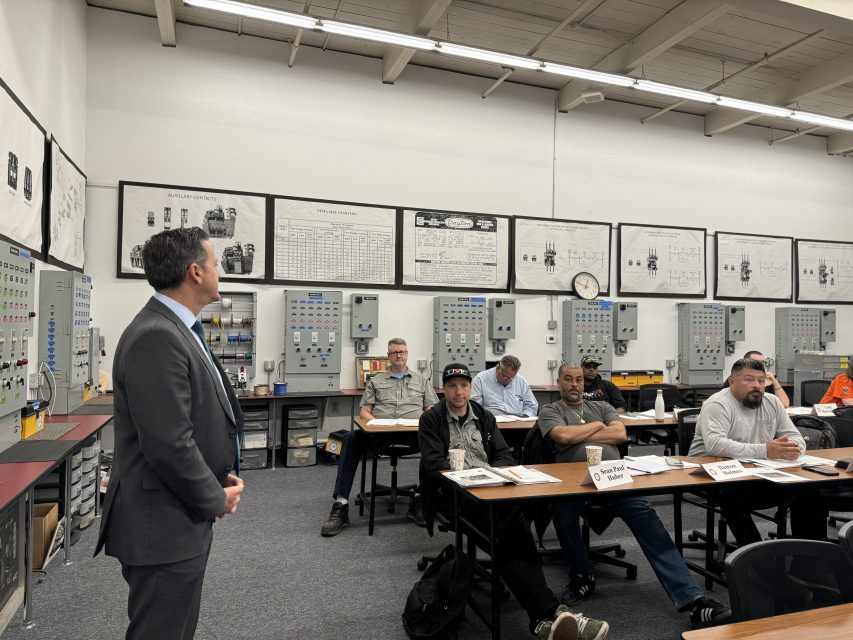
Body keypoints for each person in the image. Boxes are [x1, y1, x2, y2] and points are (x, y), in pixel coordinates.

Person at [95, 228, 245, 640]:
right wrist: (214, 498)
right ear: (195, 271)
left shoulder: (177, 328)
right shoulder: (158, 336)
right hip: (161, 524)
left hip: (179, 514)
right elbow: (168, 443)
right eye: (215, 265)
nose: (220, 272)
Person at [419, 363, 610, 640]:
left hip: (490, 490)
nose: (459, 392)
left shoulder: (484, 416)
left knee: (515, 527)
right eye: (452, 386)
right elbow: (434, 464)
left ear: (471, 388)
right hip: (453, 495)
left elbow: (504, 455)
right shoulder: (432, 419)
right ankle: (549, 613)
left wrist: (492, 476)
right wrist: (467, 479)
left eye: (463, 385)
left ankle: (547, 618)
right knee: (509, 532)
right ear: (444, 390)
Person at [539, 362, 729, 630]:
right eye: (568, 379)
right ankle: (582, 574)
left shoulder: (602, 406)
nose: (574, 384)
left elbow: (619, 432)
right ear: (559, 382)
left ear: (585, 382)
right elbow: (562, 434)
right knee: (562, 512)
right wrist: (593, 430)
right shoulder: (550, 410)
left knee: (646, 514)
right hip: (573, 484)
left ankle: (693, 599)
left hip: (614, 476)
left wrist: (581, 433)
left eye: (579, 380)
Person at [691, 358, 827, 545]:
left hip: (757, 471)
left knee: (808, 490)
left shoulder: (772, 402)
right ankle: (756, 558)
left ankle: (809, 557)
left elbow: (794, 437)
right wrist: (766, 450)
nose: (757, 385)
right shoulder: (718, 404)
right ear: (732, 382)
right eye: (749, 379)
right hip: (714, 475)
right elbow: (715, 445)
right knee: (733, 497)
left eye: (761, 380)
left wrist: (793, 449)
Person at [321, 338, 438, 536]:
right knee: (350, 438)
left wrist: (424, 421)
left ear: (407, 354)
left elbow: (432, 409)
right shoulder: (376, 380)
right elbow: (365, 412)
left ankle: (419, 498)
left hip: (413, 435)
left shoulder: (422, 381)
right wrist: (375, 423)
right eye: (394, 353)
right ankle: (340, 506)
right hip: (380, 436)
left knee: (435, 441)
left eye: (402, 352)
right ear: (388, 357)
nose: (399, 355)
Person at [471, 354, 539, 417]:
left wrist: (525, 416)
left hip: (518, 424)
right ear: (498, 368)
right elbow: (474, 407)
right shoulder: (481, 379)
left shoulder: (521, 381)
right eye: (504, 376)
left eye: (511, 378)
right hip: (492, 424)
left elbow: (531, 406)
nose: (507, 380)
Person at [723, 350, 789, 407]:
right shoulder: (736, 379)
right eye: (756, 362)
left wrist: (774, 381)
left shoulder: (769, 379)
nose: (760, 365)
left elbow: (784, 404)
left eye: (762, 362)